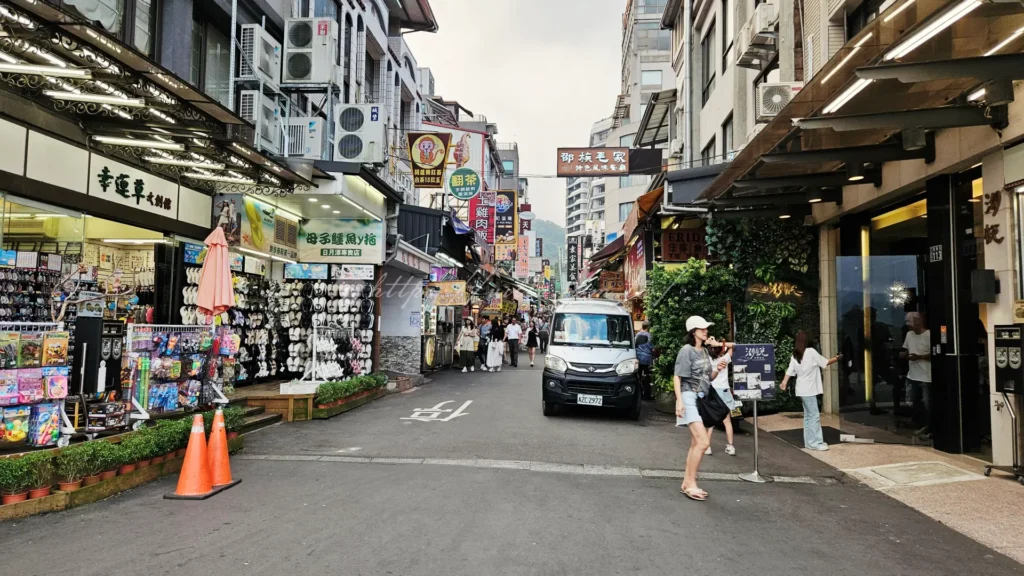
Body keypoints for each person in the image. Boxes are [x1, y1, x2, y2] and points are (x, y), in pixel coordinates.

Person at [674, 316, 728, 501]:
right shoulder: (686, 350)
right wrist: (679, 401)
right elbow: (677, 377)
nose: (706, 331)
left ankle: (687, 482)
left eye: (706, 328)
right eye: (702, 328)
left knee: (696, 444)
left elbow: (708, 378)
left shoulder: (704, 351)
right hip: (689, 397)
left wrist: (718, 369)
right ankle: (690, 483)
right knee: (704, 443)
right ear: (693, 331)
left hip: (701, 399)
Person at [780, 331, 841, 451]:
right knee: (814, 416)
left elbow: (789, 371)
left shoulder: (795, 355)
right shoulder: (811, 352)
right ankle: (816, 443)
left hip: (801, 390)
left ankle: (809, 442)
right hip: (809, 390)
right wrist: (837, 358)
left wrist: (784, 383)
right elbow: (825, 362)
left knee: (808, 417)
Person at [901, 312, 931, 439]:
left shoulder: (929, 335)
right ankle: (920, 424)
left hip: (926, 376)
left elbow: (935, 354)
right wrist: (904, 355)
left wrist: (919, 357)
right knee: (914, 401)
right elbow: (907, 350)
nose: (910, 327)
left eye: (911, 324)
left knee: (928, 404)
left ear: (919, 321)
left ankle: (929, 427)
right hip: (912, 375)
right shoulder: (909, 335)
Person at [705, 341, 737, 456]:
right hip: (724, 391)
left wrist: (709, 342)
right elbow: (734, 345)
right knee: (727, 421)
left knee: (710, 422)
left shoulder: (707, 359)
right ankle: (730, 446)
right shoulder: (725, 359)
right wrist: (718, 343)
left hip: (713, 391)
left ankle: (707, 447)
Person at [635, 321, 654, 400]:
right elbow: (652, 348)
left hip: (638, 357)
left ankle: (638, 393)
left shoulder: (637, 335)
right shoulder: (649, 336)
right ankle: (647, 395)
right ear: (648, 327)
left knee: (638, 376)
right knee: (647, 377)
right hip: (647, 359)